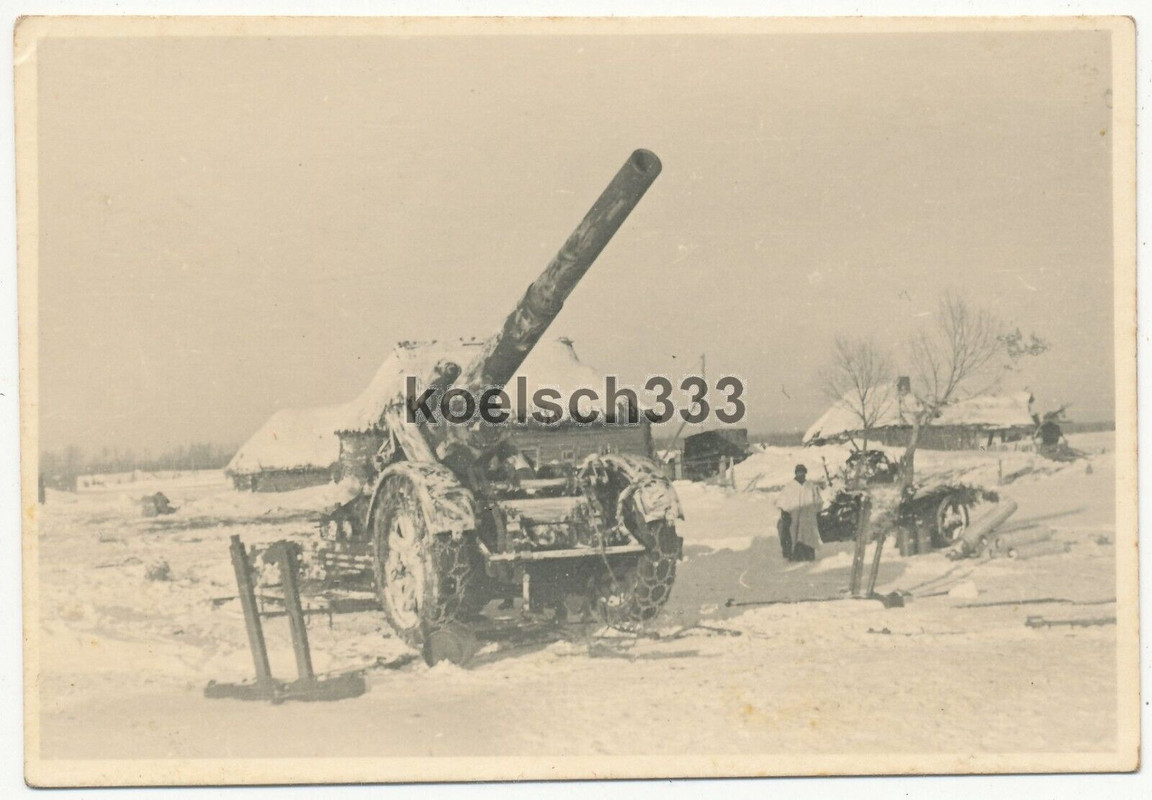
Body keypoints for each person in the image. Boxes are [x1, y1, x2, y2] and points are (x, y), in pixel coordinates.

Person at [776, 464, 824, 562]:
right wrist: (785, 514)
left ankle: (808, 556)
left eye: (802, 472)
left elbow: (818, 502)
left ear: (805, 473)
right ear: (795, 473)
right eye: (798, 472)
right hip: (794, 517)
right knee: (794, 535)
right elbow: (783, 502)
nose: (800, 474)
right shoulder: (789, 487)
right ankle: (794, 556)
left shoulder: (811, 486)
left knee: (808, 536)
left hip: (808, 517)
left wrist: (817, 512)